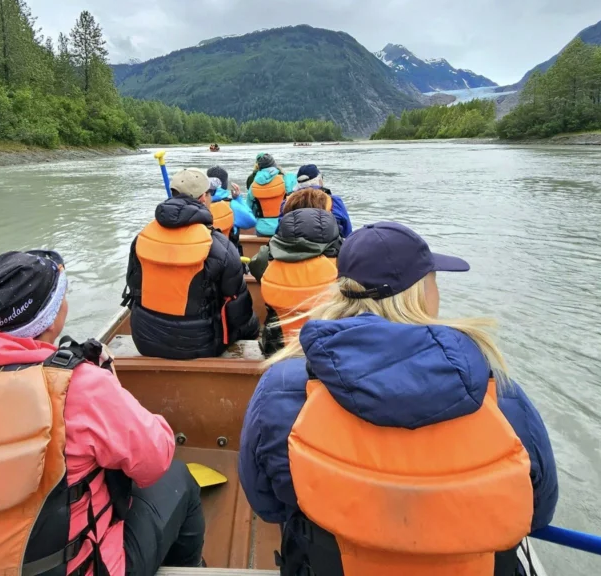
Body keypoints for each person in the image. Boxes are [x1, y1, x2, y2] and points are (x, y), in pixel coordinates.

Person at [239, 222, 558, 576]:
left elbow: (265, 504)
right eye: (433, 279)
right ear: (418, 294)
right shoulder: (503, 395)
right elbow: (538, 513)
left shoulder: (281, 388)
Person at [0, 249, 205, 576]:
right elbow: (154, 459)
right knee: (178, 479)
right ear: (52, 317)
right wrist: (108, 384)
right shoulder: (82, 387)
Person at [122, 167, 258, 359]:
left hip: (144, 339)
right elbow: (238, 311)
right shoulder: (220, 246)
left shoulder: (142, 237)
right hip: (201, 346)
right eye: (210, 193)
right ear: (203, 198)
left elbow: (134, 285)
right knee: (251, 322)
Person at [248, 189, 342, 355]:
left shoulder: (266, 256)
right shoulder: (345, 255)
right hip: (329, 347)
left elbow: (256, 270)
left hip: (277, 347)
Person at [246, 152, 297, 236]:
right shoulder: (287, 179)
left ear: (259, 167)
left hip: (262, 229)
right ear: (274, 165)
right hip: (283, 227)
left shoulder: (253, 185)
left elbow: (249, 209)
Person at [295, 163, 352, 237]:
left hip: (294, 246)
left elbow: (280, 229)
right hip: (330, 246)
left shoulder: (287, 202)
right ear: (319, 180)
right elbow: (348, 232)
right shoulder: (335, 201)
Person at [207, 165, 257, 249]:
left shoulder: (200, 204)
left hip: (206, 253)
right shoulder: (232, 205)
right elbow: (251, 221)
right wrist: (238, 199)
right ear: (225, 184)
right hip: (229, 255)